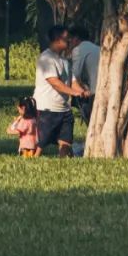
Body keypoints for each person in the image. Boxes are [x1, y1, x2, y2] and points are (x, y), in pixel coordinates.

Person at [33, 25, 89, 157]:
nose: (69, 41)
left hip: (64, 110)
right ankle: (31, 162)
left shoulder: (64, 61)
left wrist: (82, 92)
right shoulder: (46, 58)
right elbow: (55, 83)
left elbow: (73, 82)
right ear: (57, 40)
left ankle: (63, 162)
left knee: (66, 142)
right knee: (41, 142)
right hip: (47, 109)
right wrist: (73, 93)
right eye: (66, 39)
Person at [66, 24, 101, 125]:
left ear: (76, 39)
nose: (68, 43)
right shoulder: (97, 48)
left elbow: (74, 75)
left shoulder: (78, 50)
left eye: (70, 39)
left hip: (94, 93)